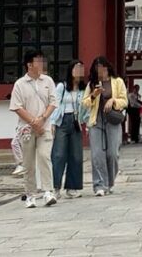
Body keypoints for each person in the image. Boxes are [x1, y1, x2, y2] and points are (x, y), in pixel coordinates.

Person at [10, 49, 59, 208]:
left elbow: (53, 102)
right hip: (27, 129)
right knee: (28, 162)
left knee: (45, 157)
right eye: (38, 61)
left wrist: (43, 119)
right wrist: (33, 122)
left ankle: (48, 191)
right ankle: (30, 194)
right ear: (29, 65)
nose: (41, 64)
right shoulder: (20, 84)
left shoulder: (48, 81)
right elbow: (17, 107)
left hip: (44, 126)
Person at [84, 56, 128, 197]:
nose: (100, 71)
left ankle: (110, 181)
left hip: (112, 120)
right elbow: (84, 103)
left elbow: (124, 101)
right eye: (97, 68)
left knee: (112, 154)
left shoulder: (117, 82)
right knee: (97, 154)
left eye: (102, 67)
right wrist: (93, 95)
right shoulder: (92, 84)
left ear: (107, 68)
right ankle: (99, 185)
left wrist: (113, 101)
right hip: (96, 121)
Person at [50, 60, 89, 199]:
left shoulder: (84, 89)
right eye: (76, 68)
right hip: (63, 120)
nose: (79, 71)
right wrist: (53, 123)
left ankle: (72, 186)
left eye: (81, 68)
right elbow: (55, 104)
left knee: (76, 155)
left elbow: (86, 106)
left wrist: (86, 122)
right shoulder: (62, 86)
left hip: (76, 122)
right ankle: (55, 186)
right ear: (70, 70)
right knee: (59, 155)